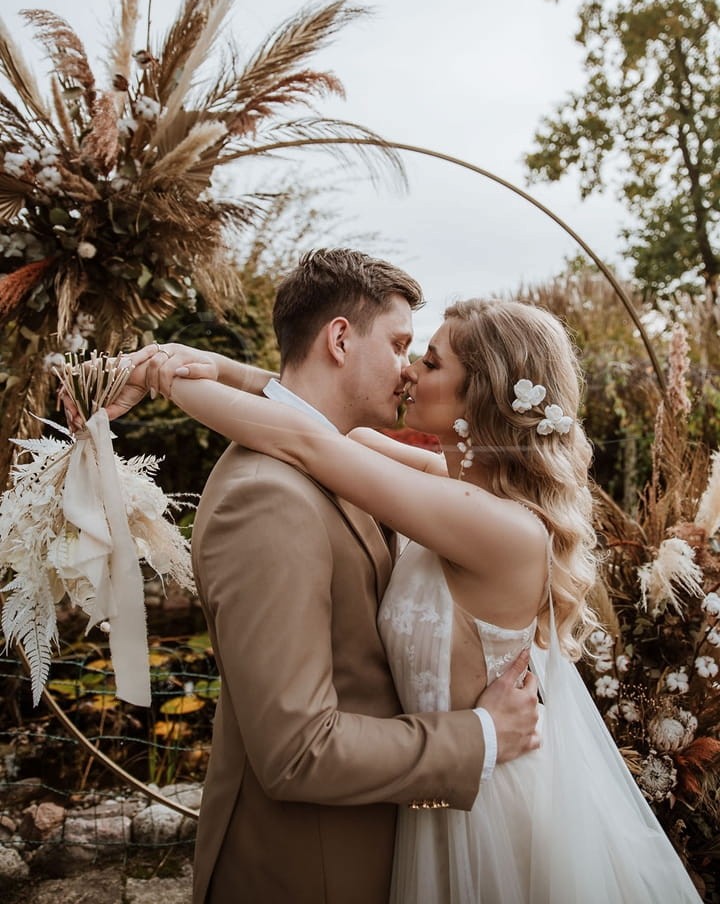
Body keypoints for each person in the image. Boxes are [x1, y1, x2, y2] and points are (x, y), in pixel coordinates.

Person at [117, 285, 702, 904]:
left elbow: (307, 442)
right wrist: (206, 362)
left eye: (430, 361)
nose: (409, 371)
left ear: (478, 394)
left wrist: (162, 379)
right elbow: (311, 417)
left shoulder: (494, 525)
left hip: (488, 813)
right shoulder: (446, 482)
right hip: (437, 792)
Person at [103, 250, 541, 904]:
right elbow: (298, 749)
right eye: (401, 346)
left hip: (405, 833)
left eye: (424, 358)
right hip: (310, 869)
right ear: (339, 339)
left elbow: (306, 429)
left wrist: (178, 371)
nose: (408, 371)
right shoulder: (269, 496)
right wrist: (479, 736)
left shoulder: (365, 467)